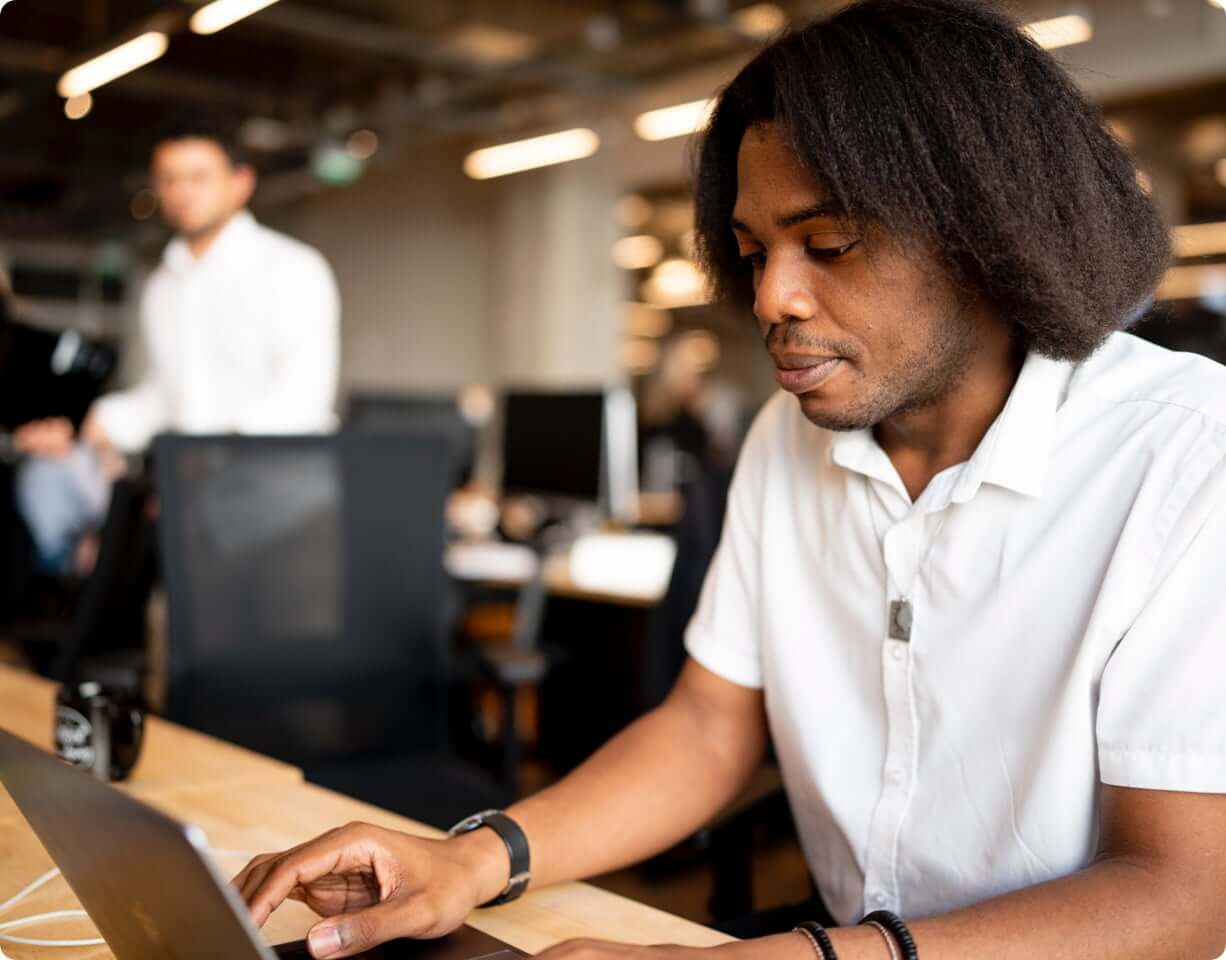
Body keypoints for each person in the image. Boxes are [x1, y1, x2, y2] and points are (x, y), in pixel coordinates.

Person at [234, 2, 1226, 959]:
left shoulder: (1184, 453)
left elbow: (1180, 897)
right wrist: (468, 861)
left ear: (986, 232)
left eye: (828, 244)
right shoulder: (782, 440)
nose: (770, 297)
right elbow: (711, 724)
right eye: (753, 253)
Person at [13, 113, 340, 574]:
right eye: (169, 179)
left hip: (283, 513)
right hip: (196, 515)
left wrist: (199, 460)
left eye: (198, 177)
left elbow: (301, 402)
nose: (182, 191)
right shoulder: (163, 286)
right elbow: (166, 399)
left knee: (276, 644)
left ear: (240, 183)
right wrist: (85, 423)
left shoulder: (293, 270)